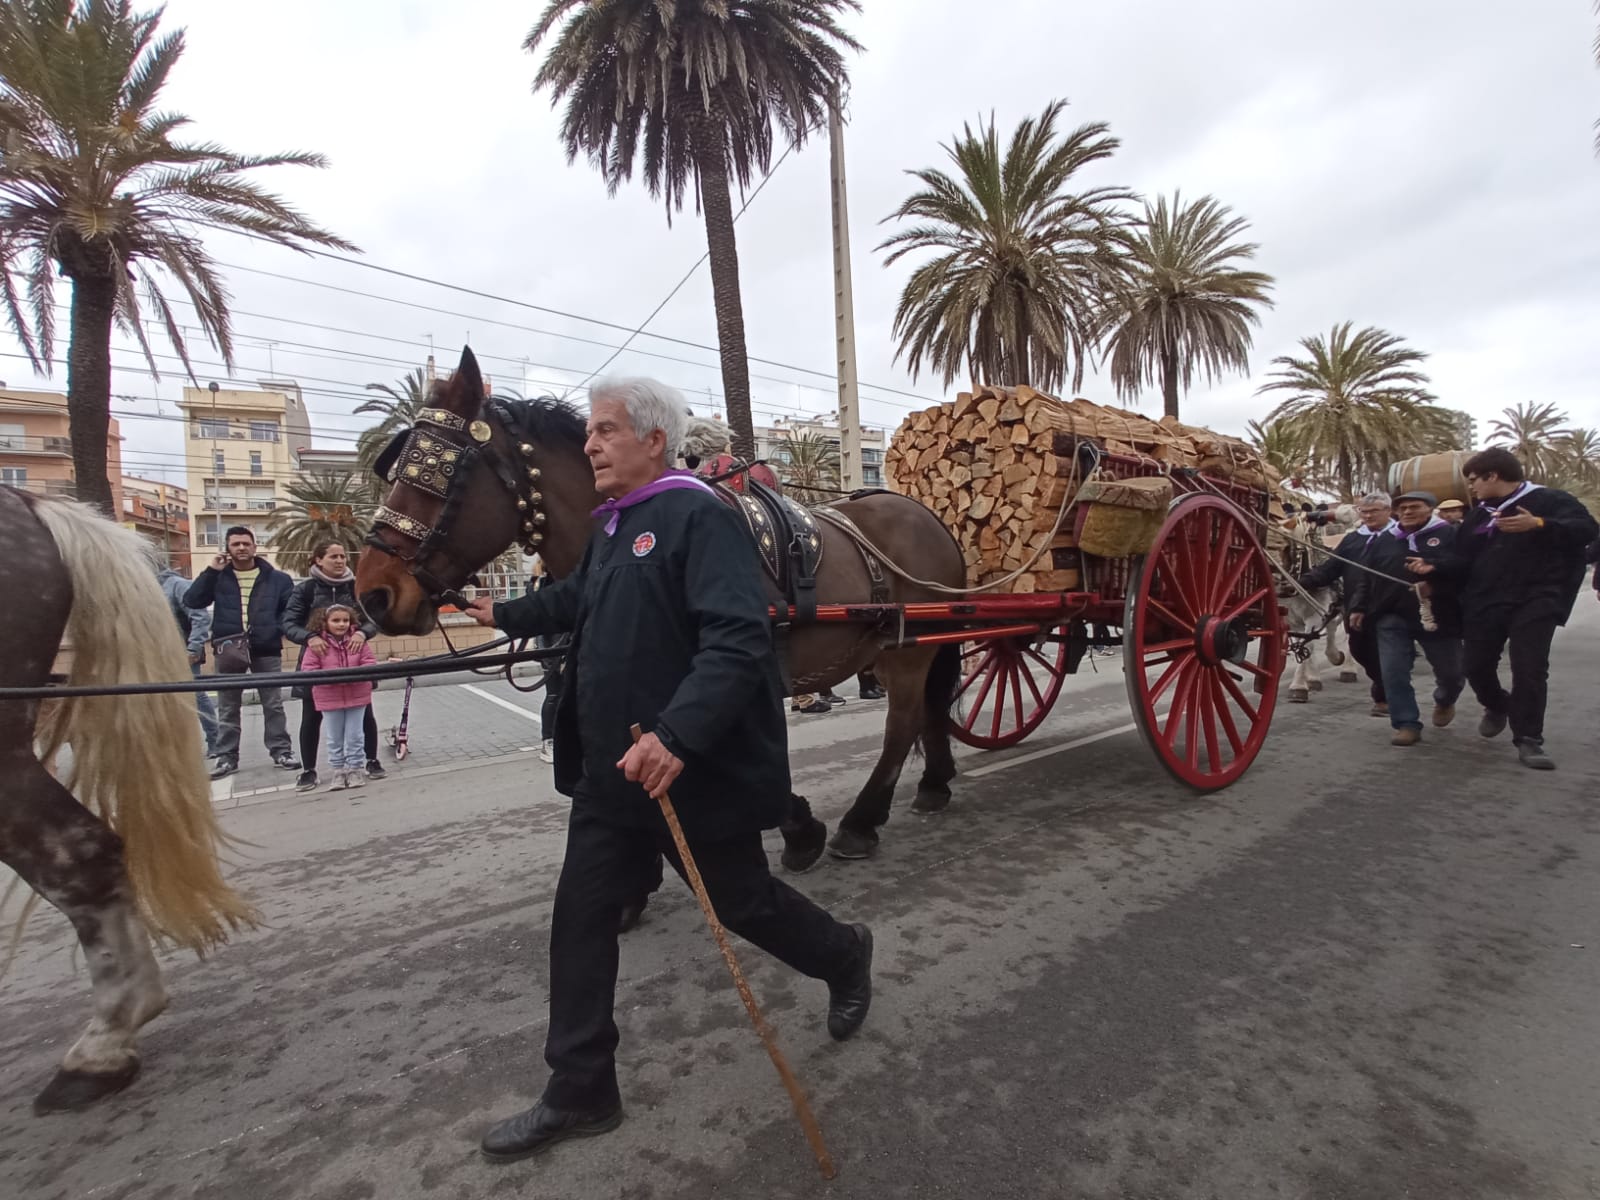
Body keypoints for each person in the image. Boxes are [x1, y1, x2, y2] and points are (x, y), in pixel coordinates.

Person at [463, 376, 872, 1164]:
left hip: (687, 772)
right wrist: (505, 614)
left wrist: (676, 738)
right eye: (589, 432)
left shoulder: (697, 516)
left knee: (743, 903)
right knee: (580, 918)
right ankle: (581, 1088)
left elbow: (736, 642)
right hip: (612, 776)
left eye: (607, 431)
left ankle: (845, 954)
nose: (590, 444)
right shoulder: (616, 527)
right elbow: (582, 596)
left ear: (653, 440)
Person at [1410, 448, 1598, 770]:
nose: (1471, 488)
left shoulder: (1551, 500)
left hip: (1538, 598)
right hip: (1486, 600)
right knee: (1475, 666)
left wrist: (1538, 524)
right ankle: (1498, 704)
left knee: (1529, 666)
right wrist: (1433, 567)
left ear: (1492, 476)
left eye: (1474, 481)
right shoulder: (1479, 515)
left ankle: (1529, 739)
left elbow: (1588, 531)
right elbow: (1464, 559)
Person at [1348, 491, 1463, 746]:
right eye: (1403, 508)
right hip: (1390, 615)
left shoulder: (1450, 535)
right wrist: (1358, 607)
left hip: (1437, 615)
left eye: (1415, 507)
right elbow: (1366, 577)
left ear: (1431, 509)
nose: (1407, 512)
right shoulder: (1384, 540)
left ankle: (1445, 699)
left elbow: (1465, 569)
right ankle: (1406, 723)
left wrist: (1435, 578)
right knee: (1393, 672)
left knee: (1451, 673)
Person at [184, 526, 299, 779]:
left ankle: (281, 751)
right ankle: (227, 757)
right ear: (228, 548)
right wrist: (212, 570)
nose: (241, 548)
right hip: (228, 648)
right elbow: (192, 601)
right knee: (228, 705)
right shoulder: (218, 576)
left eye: (246, 543)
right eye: (235, 544)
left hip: (266, 647)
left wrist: (274, 630)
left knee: (273, 703)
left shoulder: (278, 579)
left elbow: (290, 611)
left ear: (255, 547)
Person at [284, 540, 384, 791]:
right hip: (317, 661)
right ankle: (309, 770)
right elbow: (288, 624)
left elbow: (374, 618)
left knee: (364, 717)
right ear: (318, 560)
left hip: (354, 660)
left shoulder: (356, 587)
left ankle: (370, 761)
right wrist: (310, 637)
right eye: (333, 556)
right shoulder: (305, 590)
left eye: (342, 556)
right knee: (310, 718)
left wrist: (363, 633)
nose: (340, 561)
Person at [1298, 492, 1395, 716]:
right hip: (1358, 609)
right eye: (1364, 511)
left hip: (1393, 608)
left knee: (1392, 654)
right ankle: (1383, 684)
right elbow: (1332, 568)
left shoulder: (1401, 537)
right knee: (1361, 652)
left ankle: (1389, 704)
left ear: (1388, 511)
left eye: (1374, 511)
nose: (1368, 516)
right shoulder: (1353, 540)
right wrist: (1303, 581)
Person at [296, 604, 379, 791]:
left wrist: (355, 676)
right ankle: (338, 771)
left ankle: (355, 769)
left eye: (345, 620)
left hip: (357, 696)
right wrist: (333, 679)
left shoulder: (358, 642)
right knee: (334, 737)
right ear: (325, 622)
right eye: (336, 620)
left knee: (355, 735)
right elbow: (309, 670)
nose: (341, 624)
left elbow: (370, 663)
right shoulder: (317, 645)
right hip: (329, 698)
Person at [157, 562, 218, 758]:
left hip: (183, 652)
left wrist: (192, 649)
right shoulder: (144, 587)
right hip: (158, 654)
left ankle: (215, 742)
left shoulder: (176, 584)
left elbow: (199, 617)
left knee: (196, 697)